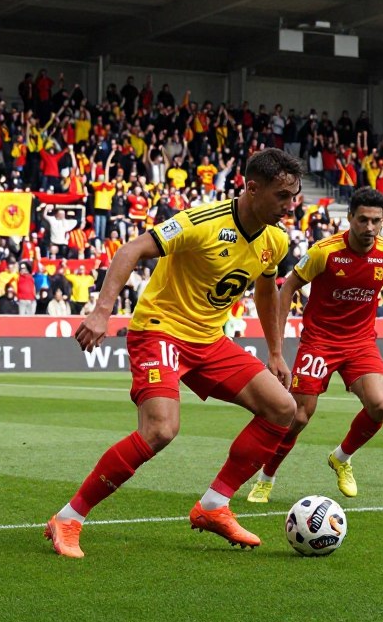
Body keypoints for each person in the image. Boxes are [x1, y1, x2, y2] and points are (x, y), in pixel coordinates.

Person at [44, 148, 303, 559]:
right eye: (282, 197)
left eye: (294, 197)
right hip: (159, 332)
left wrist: (276, 350)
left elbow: (266, 290)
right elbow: (131, 250)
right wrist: (101, 312)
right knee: (160, 430)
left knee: (283, 408)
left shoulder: (275, 240)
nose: (290, 207)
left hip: (209, 340)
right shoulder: (203, 221)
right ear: (252, 189)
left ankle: (214, 505)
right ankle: (68, 517)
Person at [247, 187, 383, 503]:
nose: (369, 228)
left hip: (361, 343)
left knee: (381, 405)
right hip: (320, 341)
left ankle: (342, 457)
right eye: (363, 220)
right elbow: (287, 286)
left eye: (376, 221)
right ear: (349, 218)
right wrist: (276, 349)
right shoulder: (325, 251)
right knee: (299, 416)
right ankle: (266, 477)